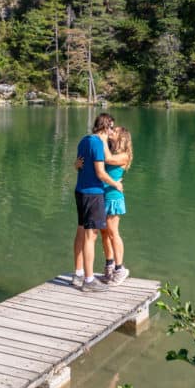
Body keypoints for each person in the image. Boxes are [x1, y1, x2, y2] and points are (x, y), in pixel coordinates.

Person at [71, 113, 123, 292]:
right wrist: (116, 183)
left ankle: (78, 273)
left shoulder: (84, 140)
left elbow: (78, 164)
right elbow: (100, 173)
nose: (111, 133)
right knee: (91, 236)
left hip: (79, 191)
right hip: (93, 193)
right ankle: (89, 280)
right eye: (111, 128)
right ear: (105, 126)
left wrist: (75, 165)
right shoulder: (98, 143)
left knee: (81, 231)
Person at [99, 126, 133, 284]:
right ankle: (109, 265)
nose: (111, 131)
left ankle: (120, 269)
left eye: (115, 130)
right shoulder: (110, 151)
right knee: (104, 233)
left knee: (113, 232)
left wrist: (103, 138)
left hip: (113, 196)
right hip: (102, 195)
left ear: (122, 137)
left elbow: (108, 160)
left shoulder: (124, 156)